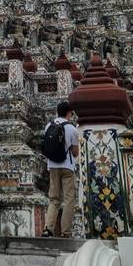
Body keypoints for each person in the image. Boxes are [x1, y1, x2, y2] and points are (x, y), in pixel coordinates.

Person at [42, 101, 79, 238]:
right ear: (69, 112)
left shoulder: (48, 126)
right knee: (69, 199)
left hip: (52, 166)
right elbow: (75, 152)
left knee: (54, 199)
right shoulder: (72, 129)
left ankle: (48, 229)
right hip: (67, 167)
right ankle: (65, 232)